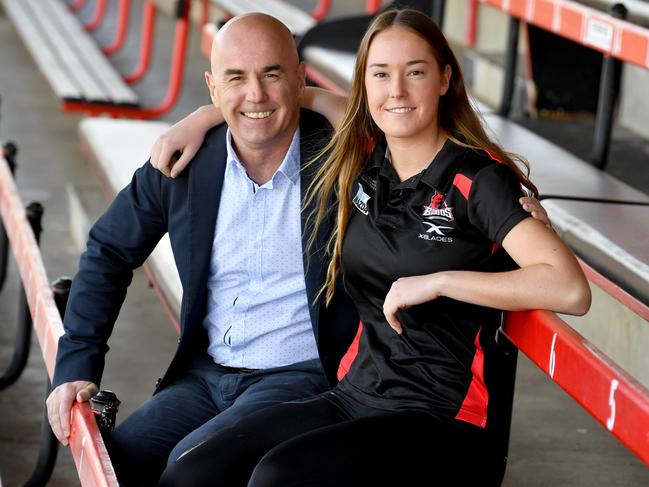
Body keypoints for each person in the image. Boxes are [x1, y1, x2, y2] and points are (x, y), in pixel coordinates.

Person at [156, 8, 591, 487]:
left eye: (416, 72)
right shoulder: (369, 157)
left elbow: (570, 288)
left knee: (279, 478)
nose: (397, 90)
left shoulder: (478, 179)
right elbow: (284, 96)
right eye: (380, 74)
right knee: (192, 473)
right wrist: (203, 115)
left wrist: (439, 281)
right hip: (355, 394)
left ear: (445, 78)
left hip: (441, 415)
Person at [46, 13, 361, 486]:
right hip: (205, 375)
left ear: (300, 78)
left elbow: (406, 124)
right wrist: (76, 365)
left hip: (300, 379)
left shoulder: (343, 159)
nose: (255, 94)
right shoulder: (186, 161)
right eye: (236, 78)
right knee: (119, 465)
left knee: (189, 475)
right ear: (213, 87)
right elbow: (109, 249)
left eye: (272, 74)